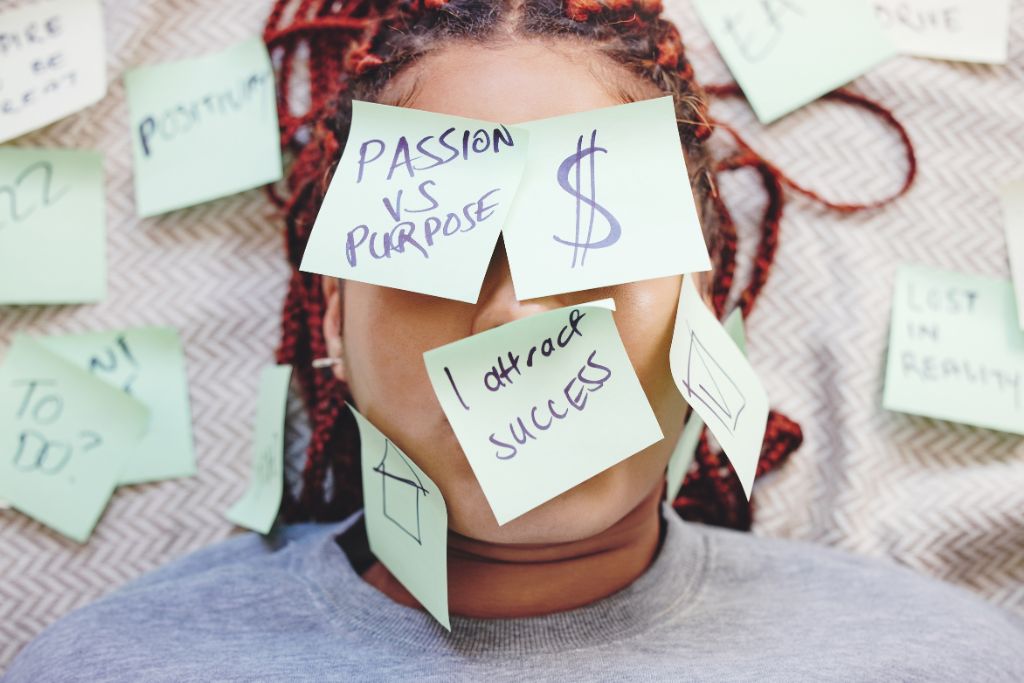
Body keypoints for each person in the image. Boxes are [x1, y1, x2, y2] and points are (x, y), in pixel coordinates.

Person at [6, 0, 1023, 680]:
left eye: (589, 241)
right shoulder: (114, 664)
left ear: (705, 299)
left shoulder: (936, 657)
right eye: (431, 252)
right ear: (334, 329)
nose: (512, 317)